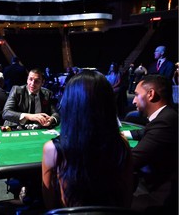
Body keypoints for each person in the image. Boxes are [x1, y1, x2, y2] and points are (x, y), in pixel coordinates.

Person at [42, 70, 133, 210]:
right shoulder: (122, 144)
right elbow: (126, 200)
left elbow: (50, 206)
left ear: (69, 104)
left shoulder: (52, 149)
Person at [122, 75, 178, 214]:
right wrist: (122, 134)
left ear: (151, 94)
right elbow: (144, 132)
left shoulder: (165, 122)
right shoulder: (166, 115)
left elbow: (132, 160)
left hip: (161, 195)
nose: (134, 100)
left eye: (136, 95)